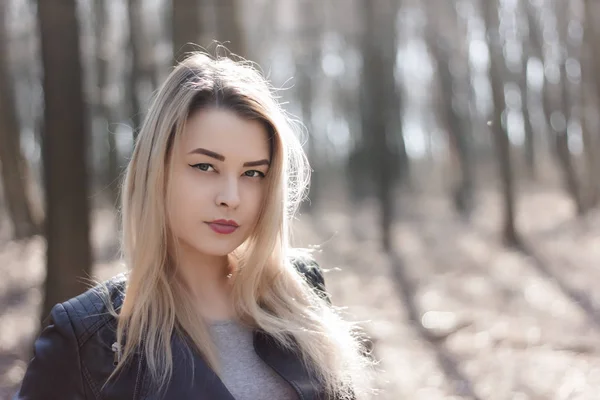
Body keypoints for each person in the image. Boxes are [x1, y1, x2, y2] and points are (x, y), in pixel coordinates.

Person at [14, 53, 373, 400]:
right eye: (205, 167)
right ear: (157, 170)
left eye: (252, 173)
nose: (231, 197)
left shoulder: (300, 288)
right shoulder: (87, 337)